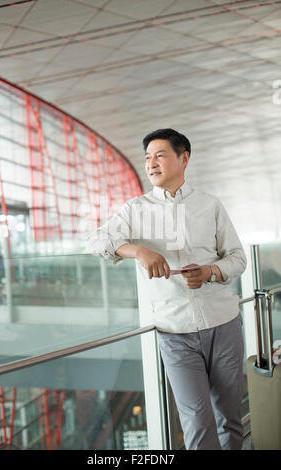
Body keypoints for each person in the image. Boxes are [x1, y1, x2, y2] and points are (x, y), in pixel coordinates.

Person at [86, 128, 246, 450]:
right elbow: (95, 241)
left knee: (229, 417)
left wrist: (210, 272)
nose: (151, 163)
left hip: (223, 323)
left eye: (160, 155)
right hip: (174, 331)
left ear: (183, 158)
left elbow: (238, 258)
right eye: (147, 157)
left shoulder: (209, 205)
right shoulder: (135, 209)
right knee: (197, 422)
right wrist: (138, 251)